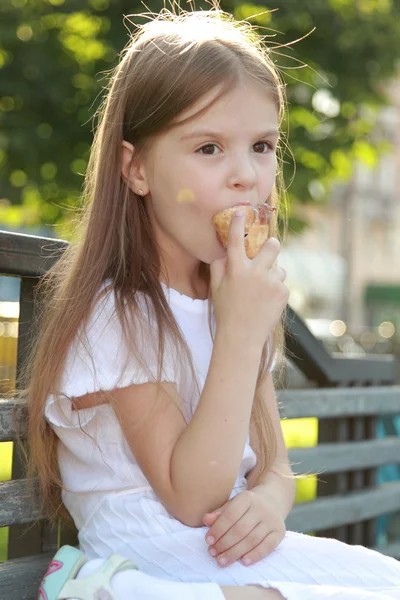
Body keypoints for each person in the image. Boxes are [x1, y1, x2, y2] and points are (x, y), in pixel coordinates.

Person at [17, 6, 400, 600]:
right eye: (208, 149)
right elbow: (193, 498)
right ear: (137, 168)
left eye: (262, 145)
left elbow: (272, 464)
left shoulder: (231, 298)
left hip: (215, 561)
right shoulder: (120, 315)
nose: (247, 175)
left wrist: (270, 502)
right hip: (146, 568)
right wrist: (240, 334)